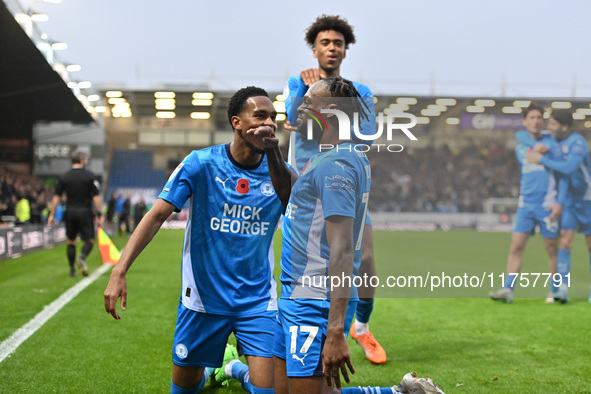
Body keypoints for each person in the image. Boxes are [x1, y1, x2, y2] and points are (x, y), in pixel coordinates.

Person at [260, 77, 444, 394]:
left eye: (308, 102)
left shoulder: (335, 164)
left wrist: (334, 331)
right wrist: (273, 150)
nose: (299, 107)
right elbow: (295, 196)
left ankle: (401, 393)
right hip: (295, 294)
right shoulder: (331, 154)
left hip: (314, 299)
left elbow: (343, 250)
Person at [104, 86, 284, 394]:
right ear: (236, 122)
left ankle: (233, 368)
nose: (268, 123)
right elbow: (156, 216)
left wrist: (275, 153)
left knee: (269, 390)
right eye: (259, 116)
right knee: (185, 389)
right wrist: (119, 270)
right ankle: (218, 370)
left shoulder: (281, 174)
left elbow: (306, 218)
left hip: (257, 301)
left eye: (273, 118)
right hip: (202, 299)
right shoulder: (200, 163)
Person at [282, 14, 386, 365]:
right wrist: (306, 90)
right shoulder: (297, 83)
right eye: (325, 42)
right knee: (301, 263)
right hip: (306, 186)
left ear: (345, 51)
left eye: (337, 43)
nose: (332, 48)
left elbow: (367, 132)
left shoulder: (361, 91)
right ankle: (281, 327)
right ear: (315, 50)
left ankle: (361, 327)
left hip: (344, 182)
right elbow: (295, 121)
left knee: (365, 259)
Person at [489, 104, 567, 303]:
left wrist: (559, 202)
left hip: (547, 205)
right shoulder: (520, 148)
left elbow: (562, 172)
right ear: (525, 121)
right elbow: (521, 136)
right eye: (531, 117)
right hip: (526, 205)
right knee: (516, 247)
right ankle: (508, 290)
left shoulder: (553, 144)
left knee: (551, 248)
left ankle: (554, 291)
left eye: (539, 117)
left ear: (543, 121)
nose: (536, 120)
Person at [525, 108, 591, 303]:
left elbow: (569, 168)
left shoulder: (577, 142)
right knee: (565, 241)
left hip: (588, 198)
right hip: (570, 199)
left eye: (552, 124)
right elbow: (520, 134)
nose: (549, 128)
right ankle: (561, 289)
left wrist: (542, 159)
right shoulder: (554, 140)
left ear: (564, 126)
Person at [48, 149, 103, 277]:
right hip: (85, 211)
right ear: (83, 159)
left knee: (71, 241)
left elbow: (56, 197)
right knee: (89, 240)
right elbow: (96, 197)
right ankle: (82, 258)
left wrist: (52, 215)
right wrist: (100, 214)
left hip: (70, 211)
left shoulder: (64, 176)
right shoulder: (89, 176)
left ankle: (72, 269)